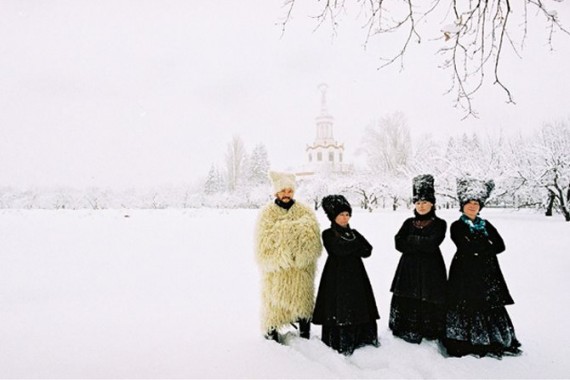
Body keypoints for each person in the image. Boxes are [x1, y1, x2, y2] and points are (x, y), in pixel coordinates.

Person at [443, 177, 522, 358]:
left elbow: (500, 246)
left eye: (476, 203)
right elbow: (465, 246)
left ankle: (492, 340)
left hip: (487, 273)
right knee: (465, 301)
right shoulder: (457, 225)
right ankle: (465, 341)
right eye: (469, 203)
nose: (472, 206)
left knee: (487, 303)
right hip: (464, 272)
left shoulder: (486, 225)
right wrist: (485, 245)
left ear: (480, 207)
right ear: (462, 206)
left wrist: (480, 247)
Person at [255, 171, 322, 343]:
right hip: (277, 274)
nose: (286, 194)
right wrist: (291, 231)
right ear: (276, 192)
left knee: (302, 304)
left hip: (300, 272)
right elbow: (264, 242)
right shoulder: (266, 214)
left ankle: (305, 335)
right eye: (283, 190)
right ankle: (272, 337)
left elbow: (312, 236)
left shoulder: (304, 211)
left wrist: (285, 232)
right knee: (274, 307)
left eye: (289, 190)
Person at [312, 194, 380, 355]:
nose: (345, 218)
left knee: (359, 305)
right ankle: (340, 341)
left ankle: (361, 339)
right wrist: (354, 247)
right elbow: (337, 250)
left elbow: (368, 250)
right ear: (333, 216)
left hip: (357, 275)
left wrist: (351, 246)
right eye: (341, 214)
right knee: (339, 306)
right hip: (335, 277)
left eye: (347, 214)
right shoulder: (328, 233)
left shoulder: (354, 232)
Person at [389, 174, 447, 344]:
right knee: (409, 295)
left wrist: (412, 240)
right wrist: (420, 242)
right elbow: (398, 242)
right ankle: (407, 328)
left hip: (431, 268)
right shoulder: (408, 222)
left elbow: (432, 243)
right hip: (408, 268)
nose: (421, 206)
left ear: (432, 204)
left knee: (428, 296)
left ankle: (428, 329)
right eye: (418, 203)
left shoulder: (440, 223)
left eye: (425, 202)